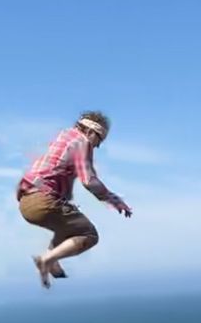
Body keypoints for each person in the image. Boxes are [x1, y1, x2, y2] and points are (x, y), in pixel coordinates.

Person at [16, 111, 132, 288]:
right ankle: (47, 258)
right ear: (91, 132)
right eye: (99, 141)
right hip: (44, 201)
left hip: (26, 202)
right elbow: (89, 181)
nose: (97, 147)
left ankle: (51, 264)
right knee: (89, 234)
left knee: (69, 226)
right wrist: (114, 200)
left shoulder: (63, 136)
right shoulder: (82, 142)